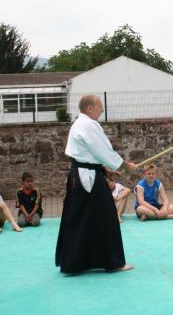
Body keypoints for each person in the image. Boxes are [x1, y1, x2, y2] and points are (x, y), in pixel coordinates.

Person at [55, 94, 137, 274]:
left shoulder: (79, 123)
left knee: (80, 219)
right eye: (99, 105)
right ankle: (113, 262)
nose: (102, 109)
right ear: (89, 108)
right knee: (107, 217)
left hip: (82, 175)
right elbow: (103, 150)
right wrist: (125, 165)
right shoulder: (89, 124)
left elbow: (88, 154)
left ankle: (73, 263)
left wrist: (106, 170)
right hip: (88, 178)